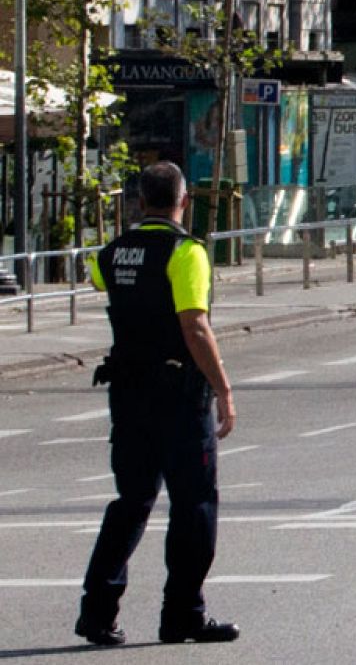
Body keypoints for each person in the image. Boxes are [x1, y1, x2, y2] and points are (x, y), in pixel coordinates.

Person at [76, 162, 240, 646]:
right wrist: (224, 389)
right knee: (194, 505)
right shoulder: (185, 252)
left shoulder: (110, 253)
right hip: (179, 394)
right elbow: (194, 325)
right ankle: (183, 614)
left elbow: (99, 281)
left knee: (131, 501)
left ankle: (97, 613)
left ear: (139, 202)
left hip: (127, 394)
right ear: (183, 202)